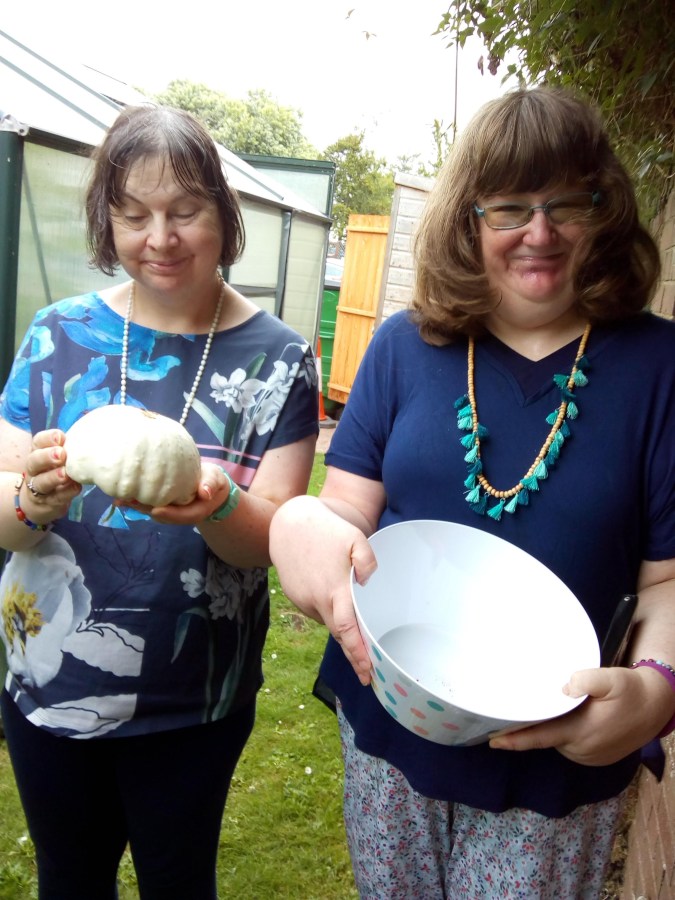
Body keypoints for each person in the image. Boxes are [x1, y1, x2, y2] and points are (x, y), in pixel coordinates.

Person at [269, 86, 675, 899]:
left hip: (555, 760)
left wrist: (655, 686)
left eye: (567, 202)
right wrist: (299, 525)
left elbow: (664, 582)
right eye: (509, 207)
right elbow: (341, 509)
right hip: (393, 724)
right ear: (468, 217)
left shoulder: (659, 367)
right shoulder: (403, 346)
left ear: (604, 209)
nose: (539, 232)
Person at [0, 105, 318, 899]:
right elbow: (5, 519)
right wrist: (34, 498)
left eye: (184, 211)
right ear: (106, 220)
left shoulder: (280, 359)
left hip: (193, 700)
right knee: (70, 881)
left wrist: (217, 505)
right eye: (134, 214)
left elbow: (269, 541)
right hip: (53, 681)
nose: (161, 238)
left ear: (223, 213)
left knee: (178, 883)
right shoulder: (56, 334)